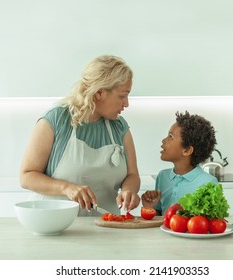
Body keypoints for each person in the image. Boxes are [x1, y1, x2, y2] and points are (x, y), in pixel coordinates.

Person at [19, 55, 141, 216]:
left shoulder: (120, 127)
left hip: (106, 228)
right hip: (55, 225)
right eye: (122, 96)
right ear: (99, 93)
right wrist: (67, 188)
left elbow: (133, 175)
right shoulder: (56, 120)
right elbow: (26, 176)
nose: (126, 103)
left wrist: (128, 190)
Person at [141, 111, 218, 215]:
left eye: (170, 137)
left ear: (186, 151)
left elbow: (209, 222)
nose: (163, 140)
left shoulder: (208, 182)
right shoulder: (162, 176)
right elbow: (160, 217)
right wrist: (150, 207)